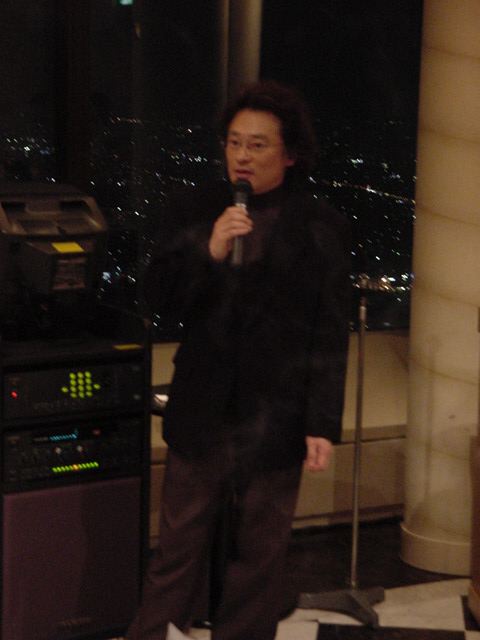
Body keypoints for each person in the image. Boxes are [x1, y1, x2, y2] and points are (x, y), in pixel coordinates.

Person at [127, 80, 351, 640]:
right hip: (202, 407)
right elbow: (158, 297)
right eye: (233, 142)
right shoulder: (193, 209)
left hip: (278, 416)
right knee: (176, 550)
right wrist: (209, 250)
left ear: (290, 153)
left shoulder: (320, 224)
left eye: (257, 144)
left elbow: (328, 332)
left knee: (261, 555)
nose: (242, 156)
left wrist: (322, 423)